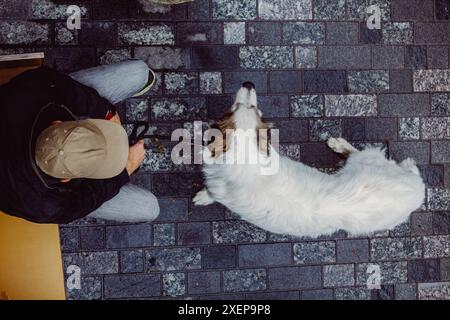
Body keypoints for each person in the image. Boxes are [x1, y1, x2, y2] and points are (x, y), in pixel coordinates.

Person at [0, 59, 160, 223]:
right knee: (149, 208)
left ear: (57, 123)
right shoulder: (43, 206)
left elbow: (57, 83)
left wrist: (104, 110)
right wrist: (124, 171)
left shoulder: (26, 92)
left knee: (137, 72)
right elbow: (84, 201)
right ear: (66, 180)